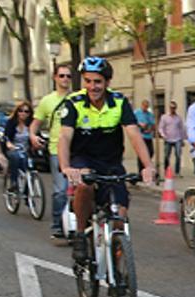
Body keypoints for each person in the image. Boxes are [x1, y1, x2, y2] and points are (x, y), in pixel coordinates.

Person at [57, 57, 156, 265]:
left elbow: (134, 134)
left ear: (107, 82)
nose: (93, 86)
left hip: (111, 162)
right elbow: (64, 137)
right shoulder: (73, 103)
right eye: (88, 81)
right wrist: (66, 166)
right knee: (84, 186)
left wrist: (148, 166)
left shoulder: (119, 102)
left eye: (98, 82)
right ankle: (81, 235)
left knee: (120, 215)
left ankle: (118, 269)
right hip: (82, 159)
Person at [32, 64, 74, 237]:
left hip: (77, 150)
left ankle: (76, 224)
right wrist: (33, 137)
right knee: (61, 189)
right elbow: (34, 125)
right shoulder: (47, 101)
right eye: (62, 76)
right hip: (56, 150)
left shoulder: (78, 98)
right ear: (55, 78)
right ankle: (57, 225)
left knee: (79, 189)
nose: (65, 79)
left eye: (68, 76)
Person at [2, 100, 34, 192]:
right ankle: (13, 182)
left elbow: (36, 135)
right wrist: (9, 144)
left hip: (26, 150)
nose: (23, 113)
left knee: (30, 168)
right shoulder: (11, 122)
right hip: (13, 149)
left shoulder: (31, 124)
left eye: (26, 111)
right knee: (15, 157)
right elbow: (6, 136)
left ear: (29, 113)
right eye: (20, 110)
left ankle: (28, 193)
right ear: (17, 112)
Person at [157, 100, 186, 176]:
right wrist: (163, 135)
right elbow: (160, 128)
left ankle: (177, 172)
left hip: (177, 139)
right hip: (168, 139)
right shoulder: (164, 117)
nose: (172, 109)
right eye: (171, 108)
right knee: (166, 155)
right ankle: (166, 170)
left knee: (178, 155)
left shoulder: (178, 118)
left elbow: (181, 128)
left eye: (174, 108)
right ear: (169, 108)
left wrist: (183, 139)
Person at [134, 98, 155, 175]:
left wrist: (150, 129)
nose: (146, 108)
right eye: (145, 106)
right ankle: (140, 171)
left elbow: (153, 124)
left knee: (151, 152)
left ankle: (146, 166)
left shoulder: (150, 114)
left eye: (147, 107)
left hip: (148, 136)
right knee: (141, 153)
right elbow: (132, 122)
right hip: (140, 136)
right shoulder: (137, 113)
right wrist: (140, 124)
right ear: (142, 105)